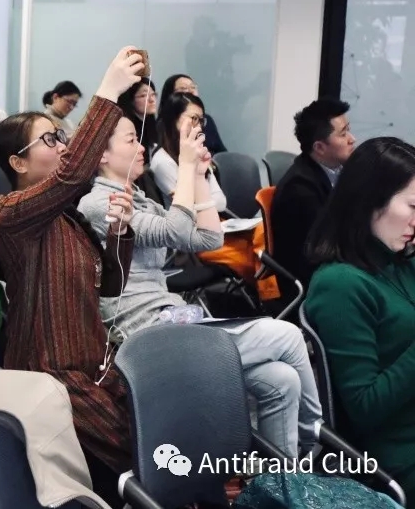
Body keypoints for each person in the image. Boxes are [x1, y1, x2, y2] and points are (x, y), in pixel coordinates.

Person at [79, 114, 323, 459]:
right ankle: (317, 440)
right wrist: (185, 164)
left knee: (281, 380)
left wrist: (197, 176)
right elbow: (178, 230)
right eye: (131, 140)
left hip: (171, 320)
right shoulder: (97, 204)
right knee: (288, 336)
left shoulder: (141, 200)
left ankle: (279, 479)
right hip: (145, 335)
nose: (141, 147)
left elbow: (209, 239)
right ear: (102, 154)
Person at [0, 47, 139, 476]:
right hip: (50, 375)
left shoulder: (67, 217)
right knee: (146, 451)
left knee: (169, 422)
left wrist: (120, 232)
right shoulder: (10, 214)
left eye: (61, 136)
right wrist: (108, 91)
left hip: (95, 365)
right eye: (50, 140)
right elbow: (72, 173)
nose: (63, 145)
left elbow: (112, 286)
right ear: (18, 162)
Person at [304, 137, 415, 497]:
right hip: (395, 455)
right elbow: (365, 408)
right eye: (413, 206)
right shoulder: (341, 284)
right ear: (371, 200)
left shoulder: (397, 260)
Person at [272, 99, 356, 289]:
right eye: (343, 134)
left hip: (334, 262)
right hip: (311, 279)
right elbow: (320, 248)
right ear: (319, 147)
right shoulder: (300, 188)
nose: (352, 139)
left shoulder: (338, 170)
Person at [151, 92, 227, 212]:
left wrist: (203, 202)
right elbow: (188, 207)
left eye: (201, 121)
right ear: (173, 118)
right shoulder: (163, 161)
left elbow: (221, 202)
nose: (199, 127)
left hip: (209, 218)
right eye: (194, 118)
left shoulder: (197, 152)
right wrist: (206, 201)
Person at [159, 73, 226, 154]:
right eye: (183, 88)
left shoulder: (206, 119)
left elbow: (222, 151)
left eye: (193, 87)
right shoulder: (162, 125)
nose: (191, 91)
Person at [115, 79, 159, 163]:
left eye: (153, 94)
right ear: (130, 100)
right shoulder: (125, 127)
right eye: (144, 95)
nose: (152, 100)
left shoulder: (151, 123)